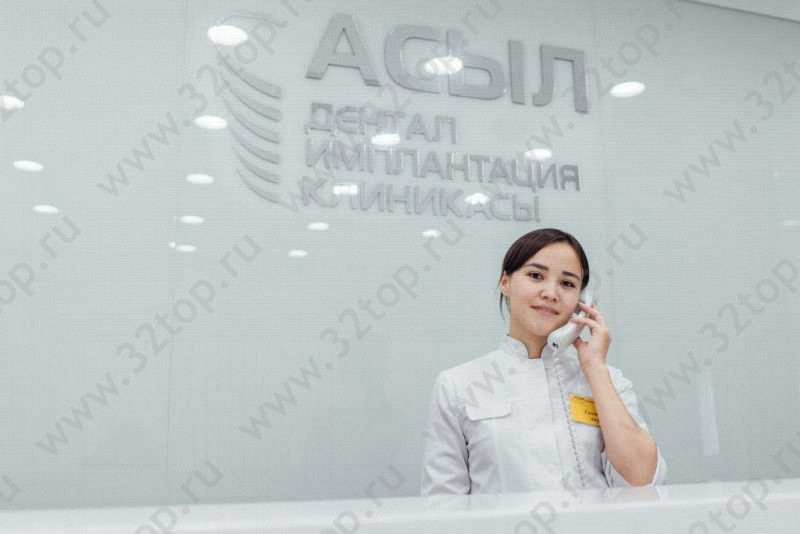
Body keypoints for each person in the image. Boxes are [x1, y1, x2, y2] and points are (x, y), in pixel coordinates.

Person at [420, 228, 667, 495]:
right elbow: (443, 503)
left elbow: (642, 481)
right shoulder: (458, 385)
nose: (551, 293)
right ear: (505, 282)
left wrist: (595, 368)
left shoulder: (608, 381)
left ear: (583, 302)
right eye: (536, 276)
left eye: (567, 283)